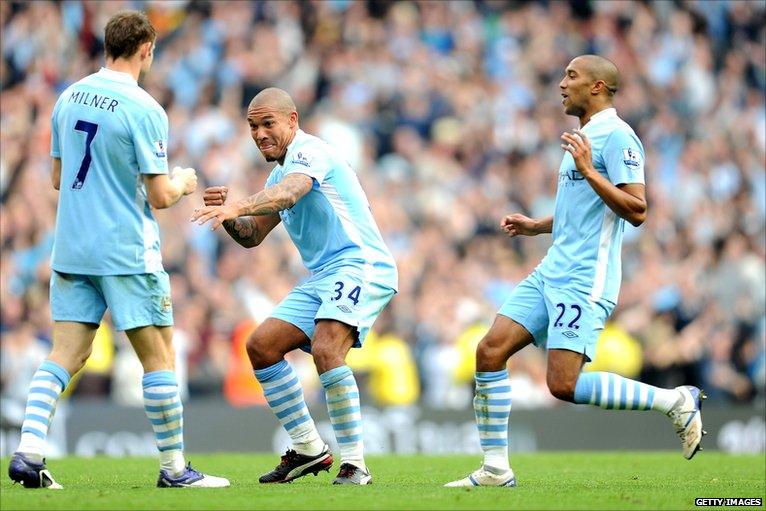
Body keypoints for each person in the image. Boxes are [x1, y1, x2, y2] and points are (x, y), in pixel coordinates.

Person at [445, 55, 706, 488]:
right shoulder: (584, 136)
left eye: (572, 76)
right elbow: (581, 211)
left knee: (563, 385)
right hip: (552, 271)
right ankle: (495, 469)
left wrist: (587, 169)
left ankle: (676, 401)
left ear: (598, 86)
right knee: (489, 351)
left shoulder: (619, 138)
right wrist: (539, 224)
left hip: (585, 279)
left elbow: (638, 209)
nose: (562, 84)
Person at [8, 10, 229, 489]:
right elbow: (160, 196)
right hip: (125, 250)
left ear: (108, 46)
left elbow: (55, 178)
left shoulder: (68, 98)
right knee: (160, 355)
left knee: (65, 353)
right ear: (146, 49)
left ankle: (27, 451)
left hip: (71, 247)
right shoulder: (145, 108)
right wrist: (185, 182)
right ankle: (174, 468)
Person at [191, 87, 398, 485]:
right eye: (252, 126)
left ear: (292, 120)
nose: (259, 133)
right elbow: (252, 236)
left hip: (362, 264)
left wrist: (240, 204)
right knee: (261, 346)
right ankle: (309, 449)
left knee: (326, 347)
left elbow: (293, 191)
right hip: (324, 276)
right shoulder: (276, 174)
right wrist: (231, 216)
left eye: (267, 123)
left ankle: (355, 464)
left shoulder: (312, 152)